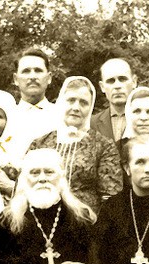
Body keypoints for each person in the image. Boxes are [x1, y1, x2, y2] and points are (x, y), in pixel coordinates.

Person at [30, 76, 123, 213]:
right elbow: (24, 187)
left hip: (86, 220)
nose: (76, 107)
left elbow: (111, 197)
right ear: (61, 102)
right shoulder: (40, 143)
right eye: (71, 100)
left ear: (90, 107)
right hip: (42, 219)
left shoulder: (103, 145)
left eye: (83, 103)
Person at [13, 47, 56, 142]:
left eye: (38, 70)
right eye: (26, 71)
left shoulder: (62, 115)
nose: (32, 76)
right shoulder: (7, 117)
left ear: (49, 78)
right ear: (16, 79)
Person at [91, 58, 138, 142]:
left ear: (134, 82)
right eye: (110, 81)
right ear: (102, 87)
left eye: (122, 79)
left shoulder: (148, 120)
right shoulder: (92, 124)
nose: (117, 86)